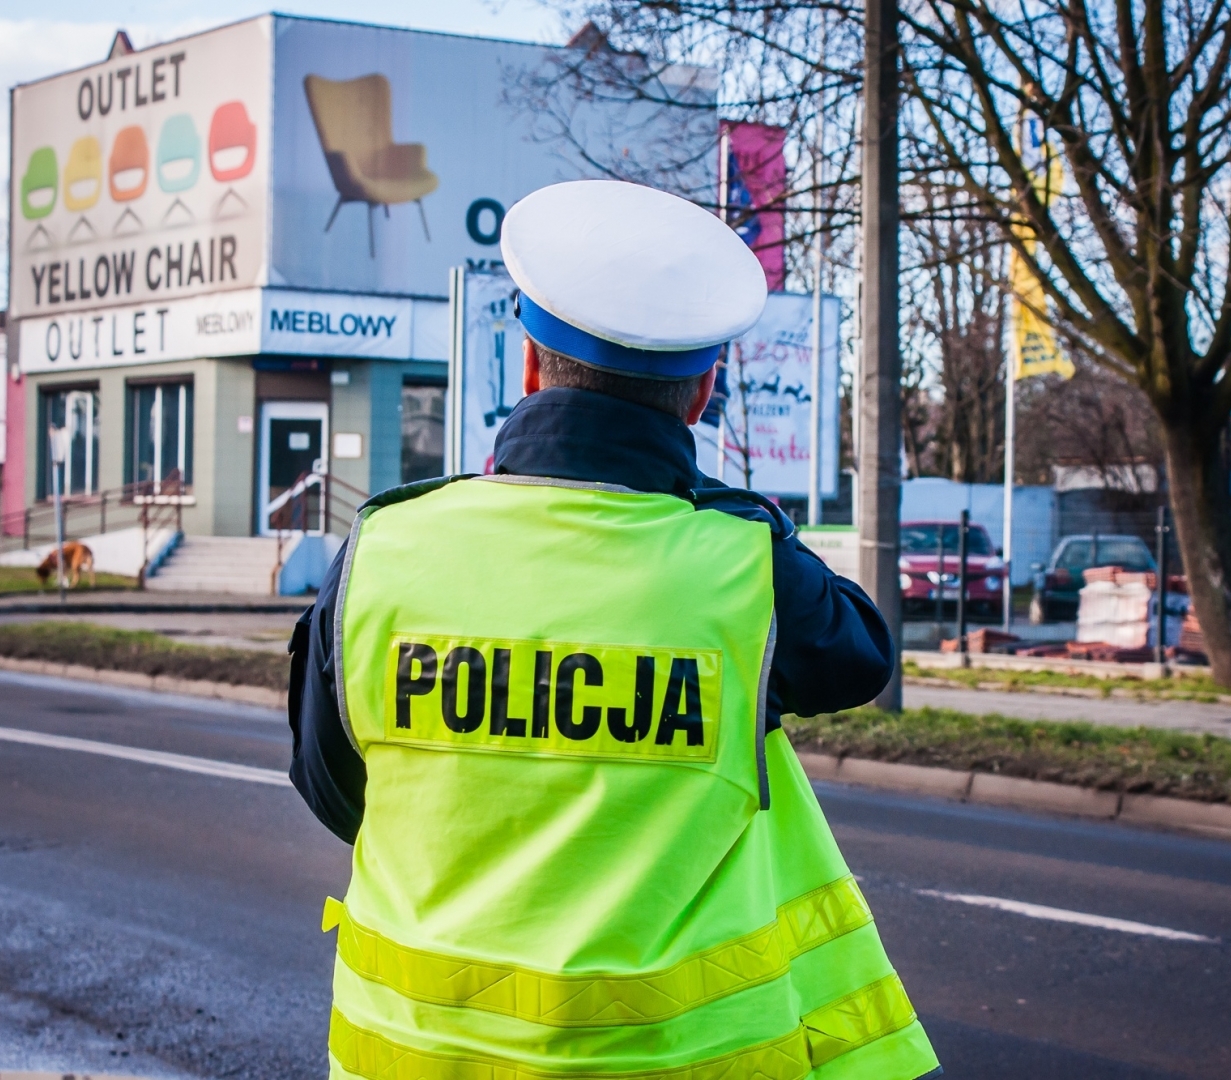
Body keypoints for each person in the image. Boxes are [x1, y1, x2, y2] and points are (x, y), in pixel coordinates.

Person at [288, 180, 941, 1080]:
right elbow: (858, 655)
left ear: (528, 366)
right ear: (704, 393)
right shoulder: (741, 565)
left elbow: (333, 789)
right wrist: (728, 514)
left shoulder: (385, 545)